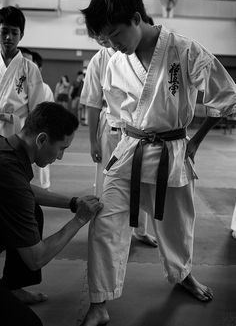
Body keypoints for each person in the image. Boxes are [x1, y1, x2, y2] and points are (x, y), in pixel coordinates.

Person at [80, 0, 236, 325]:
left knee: (178, 227)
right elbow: (114, 108)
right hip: (129, 151)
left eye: (116, 35)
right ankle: (99, 301)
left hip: (172, 150)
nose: (113, 45)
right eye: (106, 39)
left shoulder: (184, 50)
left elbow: (226, 95)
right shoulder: (115, 60)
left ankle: (182, 275)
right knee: (105, 223)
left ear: (136, 19)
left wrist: (195, 141)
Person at [0, 101, 103, 326]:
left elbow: (25, 192)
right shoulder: (10, 173)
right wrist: (80, 219)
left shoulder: (6, 147)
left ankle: (12, 288)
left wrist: (73, 202)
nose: (60, 157)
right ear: (42, 139)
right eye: (62, 148)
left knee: (32, 211)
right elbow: (36, 258)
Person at [80, 36, 157, 247]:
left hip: (139, 131)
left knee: (140, 180)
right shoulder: (99, 60)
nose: (103, 39)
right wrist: (93, 142)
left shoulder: (137, 53)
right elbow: (92, 103)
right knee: (107, 183)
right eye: (98, 34)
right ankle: (105, 231)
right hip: (111, 130)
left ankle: (140, 231)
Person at [0, 6, 50, 138]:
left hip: (17, 133)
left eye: (14, 33)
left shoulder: (30, 69)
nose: (8, 37)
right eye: (4, 31)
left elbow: (36, 109)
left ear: (21, 35)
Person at [31, 50, 54, 190]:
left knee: (40, 179)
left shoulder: (45, 89)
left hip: (39, 139)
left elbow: (51, 118)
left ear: (39, 68)